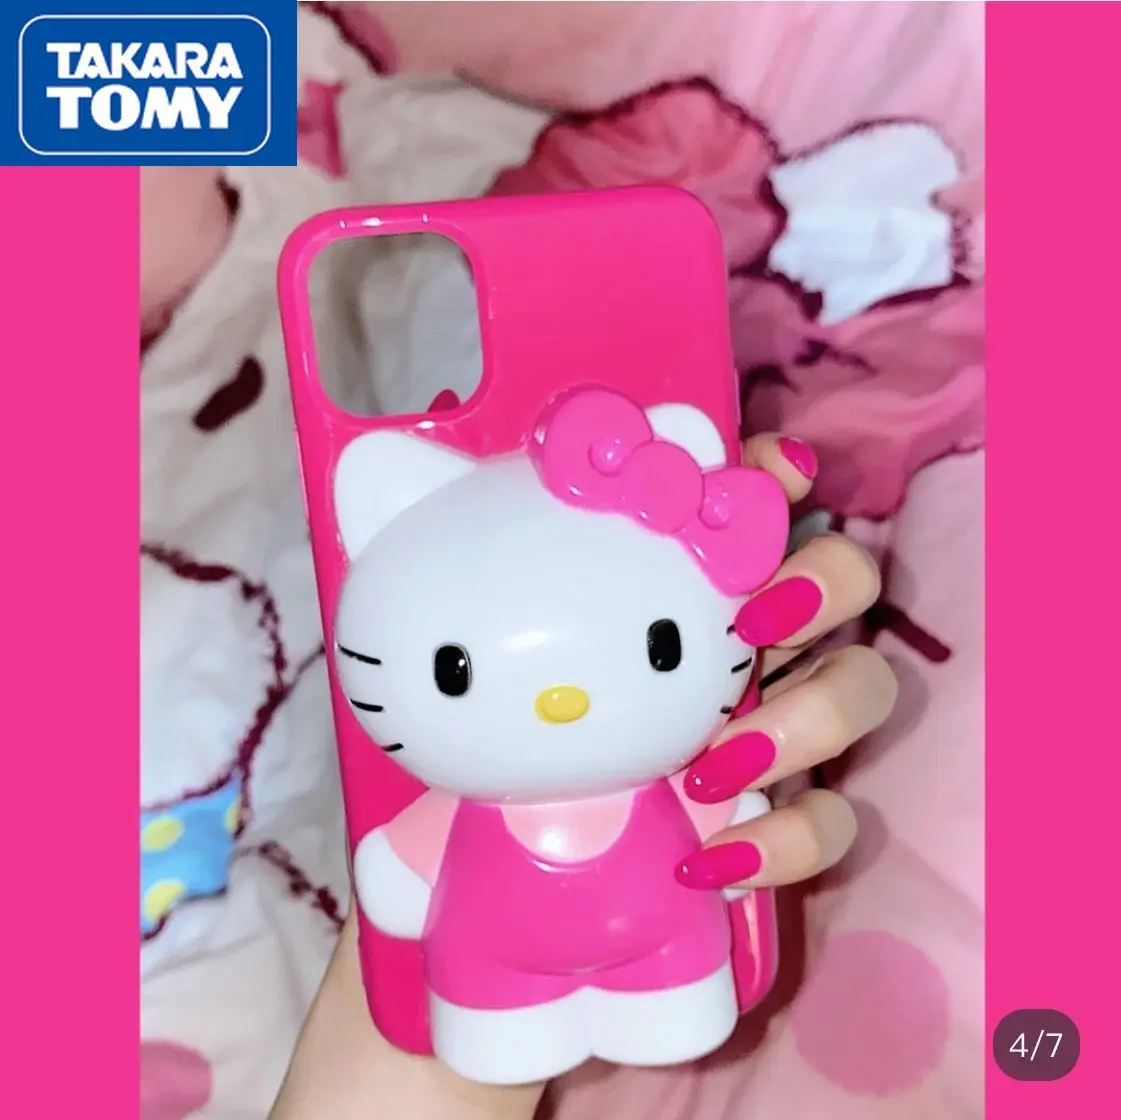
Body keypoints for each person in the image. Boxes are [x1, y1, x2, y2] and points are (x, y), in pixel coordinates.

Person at [269, 431, 897, 1120]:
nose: (560, 701)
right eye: (455, 670)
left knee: (672, 1011)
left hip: (666, 945)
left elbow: (726, 818)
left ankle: (659, 1007)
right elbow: (400, 875)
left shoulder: (676, 767)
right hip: (490, 969)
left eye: (662, 647)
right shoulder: (461, 798)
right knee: (496, 1038)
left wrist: (735, 812)